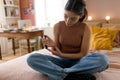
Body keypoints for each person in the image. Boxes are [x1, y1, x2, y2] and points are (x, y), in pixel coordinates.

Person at [27, 0, 109, 80]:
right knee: (31, 58)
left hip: (79, 62)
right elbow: (56, 52)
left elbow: (83, 54)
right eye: (65, 16)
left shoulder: (85, 29)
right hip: (61, 61)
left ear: (81, 16)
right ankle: (72, 75)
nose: (68, 21)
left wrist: (62, 54)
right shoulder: (58, 26)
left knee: (103, 59)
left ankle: (61, 74)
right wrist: (53, 45)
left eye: (73, 19)